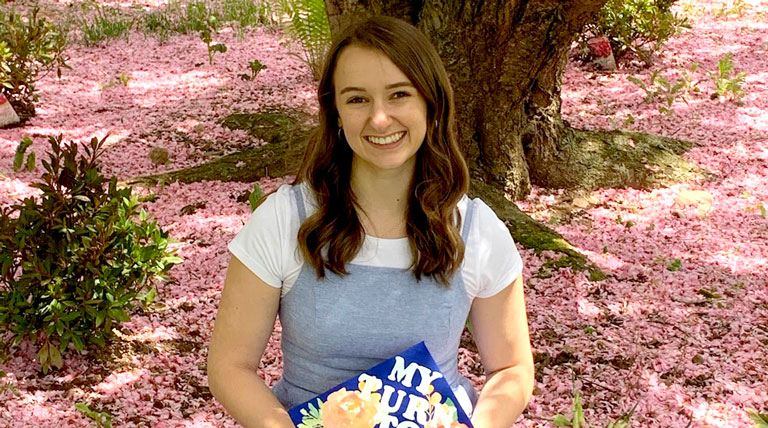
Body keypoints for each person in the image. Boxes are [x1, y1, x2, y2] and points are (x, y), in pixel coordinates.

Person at [207, 15, 534, 428]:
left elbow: (511, 370)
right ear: (336, 115)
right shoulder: (284, 220)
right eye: (357, 99)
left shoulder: (475, 230)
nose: (380, 119)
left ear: (431, 104)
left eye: (399, 95)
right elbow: (230, 365)